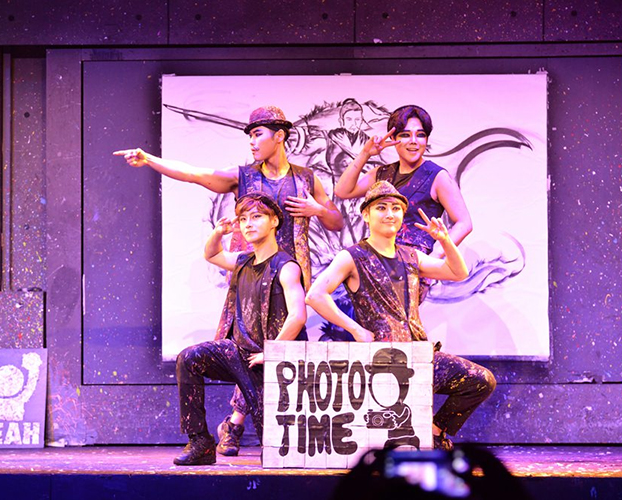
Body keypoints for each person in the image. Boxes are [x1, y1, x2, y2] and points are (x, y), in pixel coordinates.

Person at [115, 105, 341, 456]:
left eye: (257, 134)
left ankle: (246, 426)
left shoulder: (306, 178)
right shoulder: (244, 176)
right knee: (244, 346)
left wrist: (319, 210)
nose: (251, 142)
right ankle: (233, 425)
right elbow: (195, 174)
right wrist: (150, 159)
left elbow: (336, 222)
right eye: (249, 135)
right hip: (250, 273)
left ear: (280, 136)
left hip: (290, 274)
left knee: (282, 350)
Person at [306, 181, 495, 450]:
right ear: (366, 215)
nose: (390, 214)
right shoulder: (353, 256)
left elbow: (458, 272)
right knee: (392, 438)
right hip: (382, 360)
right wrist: (356, 330)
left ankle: (433, 431)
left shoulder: (410, 256)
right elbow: (315, 295)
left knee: (480, 381)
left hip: (417, 354)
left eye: (396, 208)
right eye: (381, 208)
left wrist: (445, 241)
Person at [173, 193, 307, 466]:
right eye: (243, 219)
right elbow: (212, 254)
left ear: (274, 221)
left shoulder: (286, 266)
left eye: (256, 217)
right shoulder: (244, 261)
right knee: (188, 358)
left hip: (268, 360)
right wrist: (218, 233)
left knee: (276, 449)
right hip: (238, 353)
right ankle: (201, 443)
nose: (248, 224)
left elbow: (298, 316)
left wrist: (272, 353)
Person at [334, 105, 472, 262]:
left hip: (414, 265)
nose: (413, 141)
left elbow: (464, 223)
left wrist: (434, 257)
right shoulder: (383, 173)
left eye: (420, 135)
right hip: (379, 261)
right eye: (405, 135)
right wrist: (365, 154)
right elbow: (342, 191)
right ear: (393, 139)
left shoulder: (437, 176)